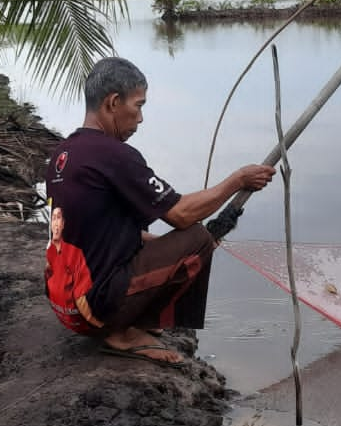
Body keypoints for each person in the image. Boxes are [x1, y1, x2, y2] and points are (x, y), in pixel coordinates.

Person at [44, 57, 274, 367]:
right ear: (113, 103)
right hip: (94, 310)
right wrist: (237, 181)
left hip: (66, 306)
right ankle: (123, 333)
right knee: (196, 237)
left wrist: (160, 246)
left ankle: (131, 321)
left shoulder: (64, 153)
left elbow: (94, 229)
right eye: (138, 106)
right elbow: (180, 214)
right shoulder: (114, 155)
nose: (140, 118)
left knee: (166, 242)